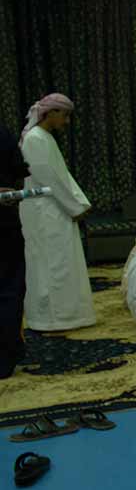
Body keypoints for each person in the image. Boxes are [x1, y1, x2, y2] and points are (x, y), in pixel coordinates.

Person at [18, 93, 95, 331]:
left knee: (64, 262)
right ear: (50, 113)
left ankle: (70, 315)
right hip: (45, 213)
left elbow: (63, 176)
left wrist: (81, 203)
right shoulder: (34, 139)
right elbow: (48, 180)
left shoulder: (45, 138)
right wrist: (74, 207)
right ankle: (52, 319)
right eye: (65, 115)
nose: (67, 121)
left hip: (57, 209)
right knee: (52, 265)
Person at [0, 126, 31, 377]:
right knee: (9, 290)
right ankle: (7, 355)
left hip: (6, 225)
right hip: (6, 223)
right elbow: (20, 173)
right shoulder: (4, 134)